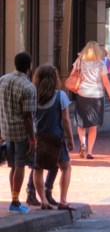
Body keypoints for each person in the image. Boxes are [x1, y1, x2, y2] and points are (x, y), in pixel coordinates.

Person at [26, 65, 74, 210]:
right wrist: (70, 139)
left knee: (38, 169)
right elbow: (65, 120)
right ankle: (63, 200)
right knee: (66, 167)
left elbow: (28, 117)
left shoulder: (33, 96)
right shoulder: (61, 96)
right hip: (56, 139)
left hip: (39, 138)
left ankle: (44, 201)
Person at [0, 51, 38, 213]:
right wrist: (33, 139)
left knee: (13, 166)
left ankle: (14, 198)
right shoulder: (28, 87)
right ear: (29, 67)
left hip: (6, 129)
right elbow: (28, 116)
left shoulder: (3, 80)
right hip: (21, 132)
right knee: (20, 164)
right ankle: (15, 201)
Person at [74, 41, 110, 160]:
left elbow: (72, 74)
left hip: (82, 94)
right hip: (96, 96)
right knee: (93, 125)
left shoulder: (80, 61)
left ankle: (83, 144)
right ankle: (90, 152)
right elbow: (106, 83)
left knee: (81, 122)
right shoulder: (101, 64)